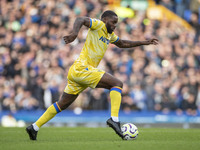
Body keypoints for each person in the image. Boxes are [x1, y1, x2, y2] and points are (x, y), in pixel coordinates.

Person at [26, 10, 158, 140]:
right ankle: (114, 120)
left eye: (116, 23)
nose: (115, 25)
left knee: (63, 104)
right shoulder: (98, 25)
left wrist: (144, 42)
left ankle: (34, 127)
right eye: (113, 22)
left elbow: (122, 43)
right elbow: (80, 19)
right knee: (117, 84)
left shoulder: (109, 35)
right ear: (104, 20)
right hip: (82, 69)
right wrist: (74, 34)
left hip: (79, 73)